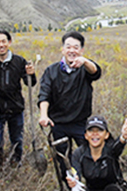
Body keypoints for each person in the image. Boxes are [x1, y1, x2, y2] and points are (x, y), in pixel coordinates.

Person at [38, 31, 101, 178]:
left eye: (76, 47)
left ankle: (91, 183)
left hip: (80, 122)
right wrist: (43, 115)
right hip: (58, 123)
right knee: (63, 159)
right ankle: (70, 187)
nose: (72, 50)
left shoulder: (85, 67)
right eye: (68, 47)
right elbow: (44, 95)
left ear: (81, 50)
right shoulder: (51, 71)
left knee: (88, 153)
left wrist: (85, 62)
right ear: (62, 49)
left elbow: (96, 72)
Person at [0, 30, 36, 166]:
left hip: (15, 109)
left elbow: (29, 82)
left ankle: (16, 163)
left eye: (4, 41)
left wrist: (31, 74)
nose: (1, 45)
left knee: (17, 139)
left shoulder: (19, 61)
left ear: (9, 42)